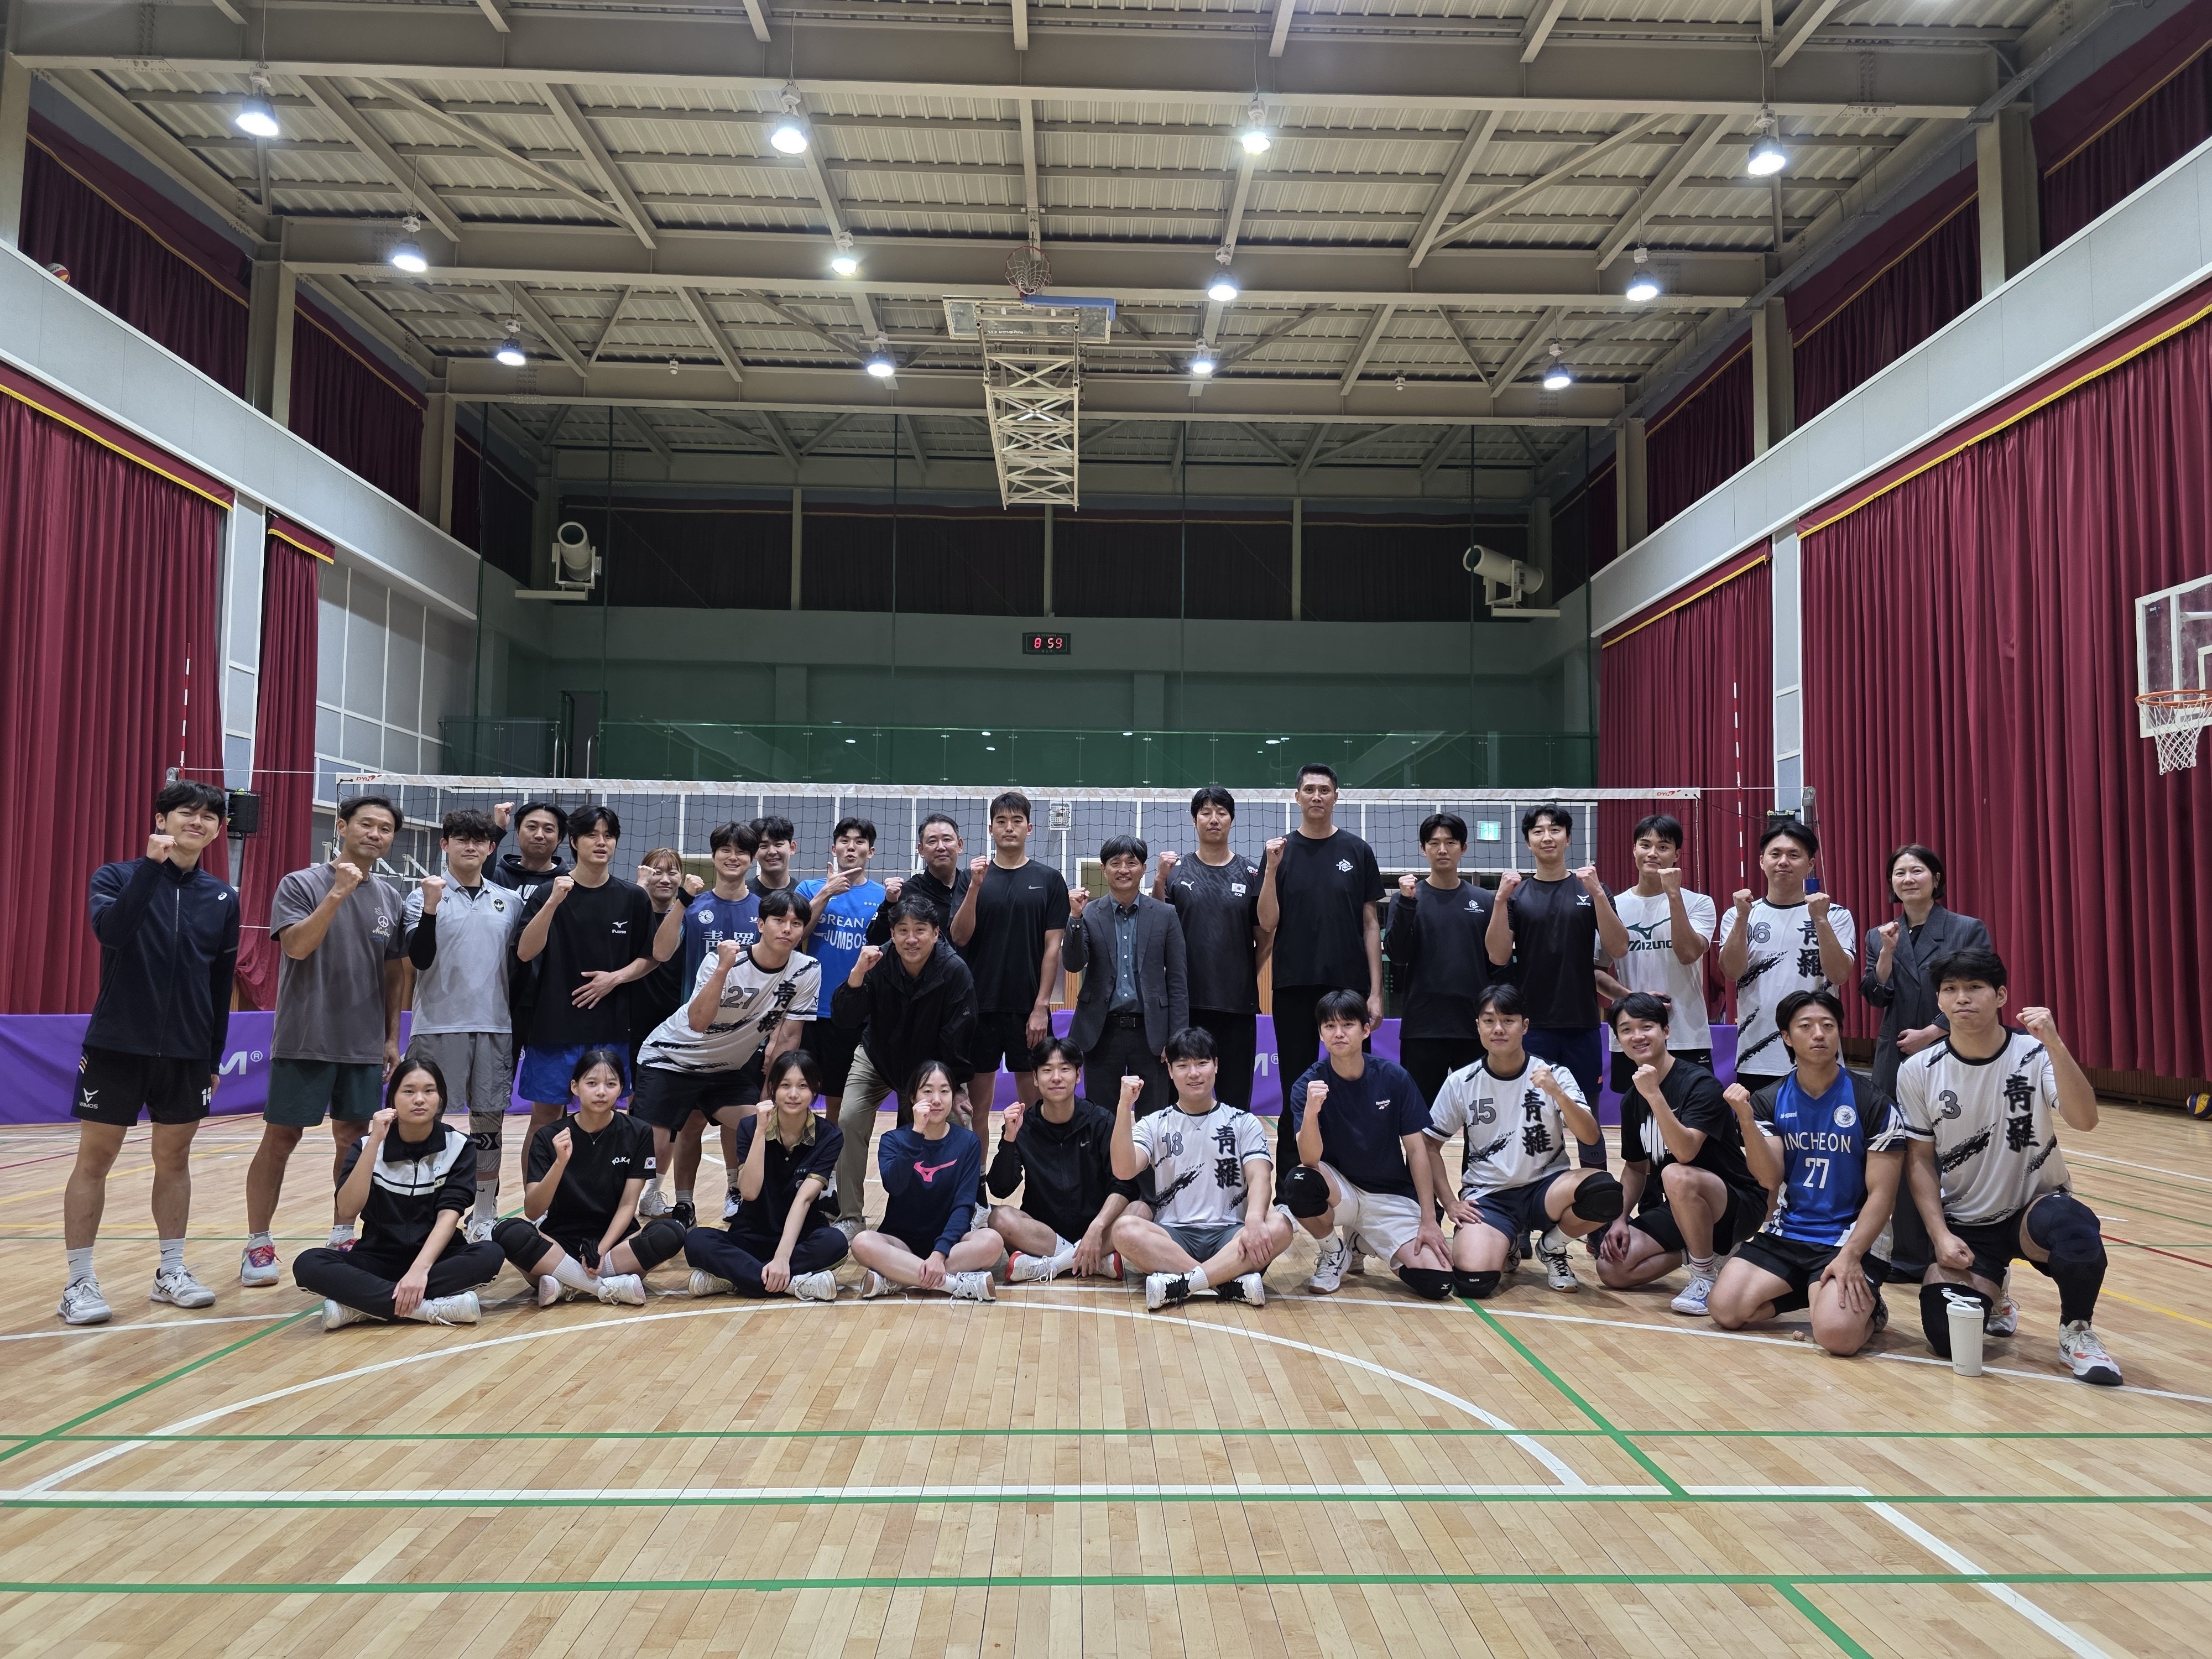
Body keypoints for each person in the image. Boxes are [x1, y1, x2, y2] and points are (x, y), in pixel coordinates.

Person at [1895, 948, 2121, 1386]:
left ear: (2000, 996)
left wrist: (2055, 1044)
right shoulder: (1919, 1070)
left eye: (1974, 987)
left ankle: (2077, 1332)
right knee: (1946, 1337)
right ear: (1939, 1000)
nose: (1962, 998)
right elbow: (1919, 1159)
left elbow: (2085, 1120)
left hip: (2035, 1210)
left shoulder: (2034, 1053)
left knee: (2075, 1228)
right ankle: (1995, 1292)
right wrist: (1940, 1235)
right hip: (1968, 1223)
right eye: (1950, 989)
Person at [59, 780, 239, 1325]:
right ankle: (79, 1282)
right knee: (95, 1161)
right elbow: (112, 933)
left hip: (186, 1053)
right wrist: (150, 868)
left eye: (210, 817)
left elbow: (220, 984)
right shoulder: (116, 877)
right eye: (187, 812)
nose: (198, 822)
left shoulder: (222, 898)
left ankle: (171, 1272)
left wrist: (212, 1057)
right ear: (162, 819)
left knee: (175, 1160)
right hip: (117, 1045)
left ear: (217, 831)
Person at [241, 795, 408, 1288]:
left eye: (384, 828)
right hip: (306, 1037)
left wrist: (391, 1037)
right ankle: (258, 1243)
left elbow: (394, 973)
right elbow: (296, 946)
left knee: (353, 1141)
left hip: (362, 1043)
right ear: (341, 827)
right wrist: (337, 893)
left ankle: (342, 1237)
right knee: (281, 1138)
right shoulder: (301, 883)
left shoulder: (391, 898)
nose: (375, 834)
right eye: (366, 824)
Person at [1708, 990, 1902, 1357]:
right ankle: (1810, 1293)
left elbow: (1883, 1195)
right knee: (1725, 1309)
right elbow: (1769, 1179)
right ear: (1786, 1036)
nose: (1819, 1034)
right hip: (1790, 1232)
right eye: (1806, 1026)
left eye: (1828, 1026)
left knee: (1837, 1338)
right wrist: (1746, 1121)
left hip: (1848, 1237)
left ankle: (1869, 1310)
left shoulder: (1873, 1103)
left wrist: (1851, 1256)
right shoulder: (1769, 1100)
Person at [630, 890, 818, 1223]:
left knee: (762, 1127)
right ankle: (646, 1205)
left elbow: (789, 1038)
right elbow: (698, 1022)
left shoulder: (807, 970)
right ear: (761, 925)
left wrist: (768, 1095)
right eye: (779, 920)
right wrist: (722, 969)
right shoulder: (724, 961)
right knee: (655, 1149)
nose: (787, 929)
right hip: (671, 1060)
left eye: (796, 923)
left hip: (726, 1069)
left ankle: (747, 1200)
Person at [1422, 984, 1620, 1299]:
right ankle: (1509, 1242)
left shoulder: (1554, 1074)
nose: (1499, 1029)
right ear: (1478, 1026)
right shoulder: (1461, 1082)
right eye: (1489, 1021)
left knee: (1605, 1192)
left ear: (1525, 1026)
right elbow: (1429, 1145)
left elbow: (1590, 1136)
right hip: (1490, 1195)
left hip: (1547, 1189)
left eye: (1508, 1020)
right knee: (1474, 1283)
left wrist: (1558, 1094)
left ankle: (1552, 1247)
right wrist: (1449, 1202)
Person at [293, 1056, 505, 1329]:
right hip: (377, 1258)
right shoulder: (367, 1146)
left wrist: (419, 1271)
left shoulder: (459, 1146)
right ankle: (427, 1309)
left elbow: (449, 1215)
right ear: (393, 1098)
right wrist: (375, 1142)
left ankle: (365, 1307)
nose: (420, 1099)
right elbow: (347, 1209)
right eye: (409, 1091)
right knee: (309, 1264)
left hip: (437, 1259)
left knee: (490, 1254)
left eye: (429, 1091)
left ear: (441, 1098)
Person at [1861, 843, 1991, 1285]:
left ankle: (1970, 1250)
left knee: (1956, 1150)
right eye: (1899, 873)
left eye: (1917, 871)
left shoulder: (1966, 929)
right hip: (1895, 1055)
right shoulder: (1880, 934)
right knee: (1902, 1149)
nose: (1908, 879)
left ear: (1936, 879)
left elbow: (1978, 988)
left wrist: (1934, 1031)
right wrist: (1885, 954)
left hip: (1953, 1052)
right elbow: (1875, 995)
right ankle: (1910, 1256)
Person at [1594, 992, 1770, 1316]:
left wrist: (1655, 1095)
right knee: (1612, 1269)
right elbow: (1635, 1168)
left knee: (1675, 1174)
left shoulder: (1700, 1084)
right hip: (1682, 1205)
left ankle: (1705, 1277)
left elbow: (1685, 1152)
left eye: (1646, 1027)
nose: (1637, 1036)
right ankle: (1708, 1252)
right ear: (1617, 1040)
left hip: (1736, 1204)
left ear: (1666, 1031)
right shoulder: (1632, 1099)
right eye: (1626, 1030)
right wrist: (1618, 1219)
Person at [1283, 991, 1454, 1300]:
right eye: (1330, 1026)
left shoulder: (1394, 1078)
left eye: (1347, 1025)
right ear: (1320, 1033)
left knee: (1437, 1282)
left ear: (1365, 1030)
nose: (1338, 1033)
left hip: (1390, 1195)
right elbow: (1310, 1159)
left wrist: (1429, 1220)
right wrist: (1311, 1112)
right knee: (1299, 1181)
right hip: (1341, 1192)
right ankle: (1334, 1251)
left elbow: (1418, 1151)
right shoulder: (1308, 1085)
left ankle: (1359, 1242)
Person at [1256, 764, 1384, 1174]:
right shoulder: (1279, 853)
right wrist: (1271, 868)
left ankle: (1357, 1174)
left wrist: (1375, 993)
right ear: (1297, 797)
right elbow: (1267, 922)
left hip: (1348, 989)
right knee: (1296, 1084)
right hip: (1294, 986)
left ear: (1335, 797)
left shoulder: (1357, 851)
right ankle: (1292, 1183)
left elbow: (1370, 924)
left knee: (1353, 1082)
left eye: (1324, 790)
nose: (1316, 796)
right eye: (1309, 789)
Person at [1484, 802, 1628, 1167]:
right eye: (1538, 831)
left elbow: (1618, 949)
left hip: (1582, 1023)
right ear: (1528, 842)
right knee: (1533, 1113)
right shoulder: (1517, 895)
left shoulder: (1592, 889)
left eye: (1555, 830)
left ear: (1568, 838)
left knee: (1587, 1114)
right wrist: (1500, 900)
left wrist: (1598, 894)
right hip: (1532, 1026)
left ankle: (1597, 1191)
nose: (1547, 837)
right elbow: (1498, 956)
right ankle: (1537, 1190)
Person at [402, 808, 521, 1244]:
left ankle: (485, 1212)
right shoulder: (420, 897)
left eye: (479, 840)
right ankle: (423, 1209)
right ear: (445, 844)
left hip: (495, 1026)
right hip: (437, 1024)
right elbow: (419, 959)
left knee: (489, 1123)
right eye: (461, 839)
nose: (470, 846)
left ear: (490, 847)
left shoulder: (509, 902)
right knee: (424, 1120)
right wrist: (431, 907)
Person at [1109, 1026, 1292, 1310]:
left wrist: (1255, 1219)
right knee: (1124, 1229)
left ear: (1216, 1066)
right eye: (1183, 1065)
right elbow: (1123, 1170)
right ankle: (1226, 1283)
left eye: (1202, 1063)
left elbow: (1260, 1177)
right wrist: (1124, 1107)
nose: (1193, 1073)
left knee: (1281, 1224)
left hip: (1232, 1235)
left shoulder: (1243, 1121)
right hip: (1174, 1237)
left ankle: (1183, 1284)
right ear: (1170, 1071)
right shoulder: (1155, 1123)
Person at [513, 805, 664, 1142]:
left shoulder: (633, 897)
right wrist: (553, 902)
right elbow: (525, 952)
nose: (601, 842)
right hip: (554, 1029)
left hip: (610, 1028)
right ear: (573, 841)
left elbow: (651, 957)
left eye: (608, 836)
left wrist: (615, 978)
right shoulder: (547, 893)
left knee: (605, 1117)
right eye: (592, 835)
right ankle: (541, 1181)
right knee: (545, 1119)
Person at [830, 895, 980, 1235]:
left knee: (958, 1121)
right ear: (893, 934)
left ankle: (963, 1212)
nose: (911, 939)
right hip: (878, 1056)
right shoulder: (876, 963)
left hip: (932, 1066)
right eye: (903, 930)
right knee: (849, 1118)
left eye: (920, 930)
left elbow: (959, 1035)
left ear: (936, 933)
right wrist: (856, 974)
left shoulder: (955, 971)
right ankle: (850, 1216)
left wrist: (954, 1087)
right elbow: (844, 1019)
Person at [493, 1047, 684, 1308]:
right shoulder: (549, 1136)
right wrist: (560, 1163)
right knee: (506, 1231)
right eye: (592, 1083)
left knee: (672, 1231)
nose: (601, 1092)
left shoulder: (637, 1132)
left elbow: (629, 1204)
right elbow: (533, 1210)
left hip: (616, 1243)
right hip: (559, 1242)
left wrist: (602, 1250)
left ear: (622, 1089)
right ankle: (605, 1286)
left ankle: (565, 1282)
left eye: (611, 1084)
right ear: (575, 1087)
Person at [637, 819, 759, 1222]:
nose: (732, 857)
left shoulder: (763, 910)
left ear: (752, 858)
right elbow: (661, 952)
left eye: (741, 851)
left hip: (742, 1037)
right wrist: (683, 902)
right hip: (695, 1034)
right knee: (690, 1123)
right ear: (714, 856)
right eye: (725, 850)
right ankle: (685, 1201)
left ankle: (735, 1191)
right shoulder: (695, 906)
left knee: (738, 1121)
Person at [685, 1050, 850, 1300]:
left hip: (801, 1239)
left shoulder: (829, 1136)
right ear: (772, 1088)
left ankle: (738, 1279)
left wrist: (782, 1258)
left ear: (815, 1089)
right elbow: (749, 1193)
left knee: (835, 1242)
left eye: (803, 1086)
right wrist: (761, 1132)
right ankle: (793, 1284)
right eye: (785, 1085)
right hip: (750, 1237)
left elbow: (804, 1200)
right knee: (696, 1240)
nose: (793, 1094)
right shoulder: (750, 1127)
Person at [950, 791, 1070, 1129]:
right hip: (979, 1007)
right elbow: (959, 936)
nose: (1009, 828)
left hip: (1027, 1010)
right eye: (1001, 822)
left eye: (1017, 821)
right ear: (991, 829)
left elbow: (1053, 948)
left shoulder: (1049, 879)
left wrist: (1041, 1007)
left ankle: (1031, 1165)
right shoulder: (970, 878)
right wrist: (975, 887)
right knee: (977, 1108)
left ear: (1029, 828)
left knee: (1034, 1108)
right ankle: (978, 1167)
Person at [1152, 787, 1270, 1109]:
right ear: (1194, 821)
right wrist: (1159, 880)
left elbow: (1265, 938)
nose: (1213, 819)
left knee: (1236, 1103)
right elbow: (1158, 929)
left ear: (1232, 820)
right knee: (1182, 1102)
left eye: (1221, 812)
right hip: (1186, 1007)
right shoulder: (1176, 872)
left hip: (1237, 1007)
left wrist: (1246, 975)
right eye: (1205, 812)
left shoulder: (1251, 874)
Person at [1718, 817, 1856, 1088]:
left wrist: (1821, 920)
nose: (1783, 862)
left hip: (1818, 1053)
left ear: (1810, 864)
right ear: (1762, 861)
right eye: (1776, 854)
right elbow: (1732, 972)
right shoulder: (1738, 915)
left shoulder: (1835, 915)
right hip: (1756, 1055)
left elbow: (1840, 975)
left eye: (1794, 855)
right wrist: (1742, 918)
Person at [849, 1059, 1004, 1301]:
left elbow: (964, 1206)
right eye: (928, 1091)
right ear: (913, 1097)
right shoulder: (893, 1140)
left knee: (992, 1241)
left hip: (952, 1245)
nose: (936, 1100)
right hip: (901, 1243)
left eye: (945, 1091)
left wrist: (939, 1253)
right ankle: (953, 1284)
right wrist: (916, 1134)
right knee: (862, 1242)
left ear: (953, 1097)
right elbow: (895, 1186)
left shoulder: (968, 1142)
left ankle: (896, 1278)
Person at [986, 1037, 1137, 1282]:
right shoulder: (1023, 1125)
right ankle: (1095, 1262)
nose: (1056, 1078)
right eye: (1047, 1070)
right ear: (1035, 1078)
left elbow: (1124, 1185)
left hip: (1097, 1229)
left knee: (1139, 1210)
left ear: (1078, 1075)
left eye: (1065, 1069)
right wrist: (1010, 1138)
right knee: (999, 1218)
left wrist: (1098, 1226)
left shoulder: (1100, 1121)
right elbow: (1000, 1188)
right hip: (1043, 1233)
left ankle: (1054, 1264)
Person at [1062, 834, 1187, 1114]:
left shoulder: (1166, 915)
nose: (1124, 870)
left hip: (1152, 1034)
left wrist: (1176, 1038)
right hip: (1101, 1031)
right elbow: (1073, 964)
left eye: (1131, 863)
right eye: (1115, 863)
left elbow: (1178, 982)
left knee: (1155, 1118)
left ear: (1143, 868)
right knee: (1102, 1118)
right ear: (1104, 869)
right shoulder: (1089, 913)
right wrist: (1075, 919)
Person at [1599, 814, 1717, 1092]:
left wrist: (1673, 894)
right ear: (1634, 850)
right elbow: (1595, 971)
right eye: (1645, 845)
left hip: (1686, 1035)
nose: (1653, 853)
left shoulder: (1699, 903)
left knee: (1690, 1112)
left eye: (1663, 847)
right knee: (1638, 1114)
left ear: (1677, 855)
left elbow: (1688, 954)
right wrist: (1633, 1000)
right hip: (1632, 1035)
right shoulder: (1613, 907)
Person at [1385, 812, 1494, 1107]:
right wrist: (1407, 903)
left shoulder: (1485, 901)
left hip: (1474, 1027)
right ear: (1424, 849)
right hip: (1423, 1027)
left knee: (1478, 1116)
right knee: (1420, 1116)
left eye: (1451, 842)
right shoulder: (1406, 898)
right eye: (1434, 843)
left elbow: (1497, 964)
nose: (1442, 850)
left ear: (1464, 848)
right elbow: (1397, 956)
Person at [796, 817, 888, 1162]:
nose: (852, 847)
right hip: (810, 1008)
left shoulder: (882, 896)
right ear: (833, 848)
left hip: (853, 1013)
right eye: (845, 841)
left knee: (839, 1099)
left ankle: (831, 1170)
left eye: (860, 842)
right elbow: (796, 933)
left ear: (871, 851)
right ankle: (798, 1163)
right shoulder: (809, 889)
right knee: (799, 1094)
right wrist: (827, 892)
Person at [628, 848, 701, 1056]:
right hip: (634, 1016)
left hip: (676, 1015)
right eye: (657, 872)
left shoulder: (689, 917)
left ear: (681, 877)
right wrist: (640, 887)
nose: (665, 880)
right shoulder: (630, 911)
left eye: (673, 873)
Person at [867, 813, 971, 944]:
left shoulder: (973, 887)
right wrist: (890, 903)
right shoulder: (906, 893)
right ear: (921, 850)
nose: (941, 847)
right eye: (932, 841)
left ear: (960, 845)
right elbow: (875, 941)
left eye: (947, 840)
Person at [748, 815, 799, 898]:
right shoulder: (743, 894)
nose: (772, 852)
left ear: (792, 848)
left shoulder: (804, 894)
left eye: (778, 844)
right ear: (754, 852)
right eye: (764, 846)